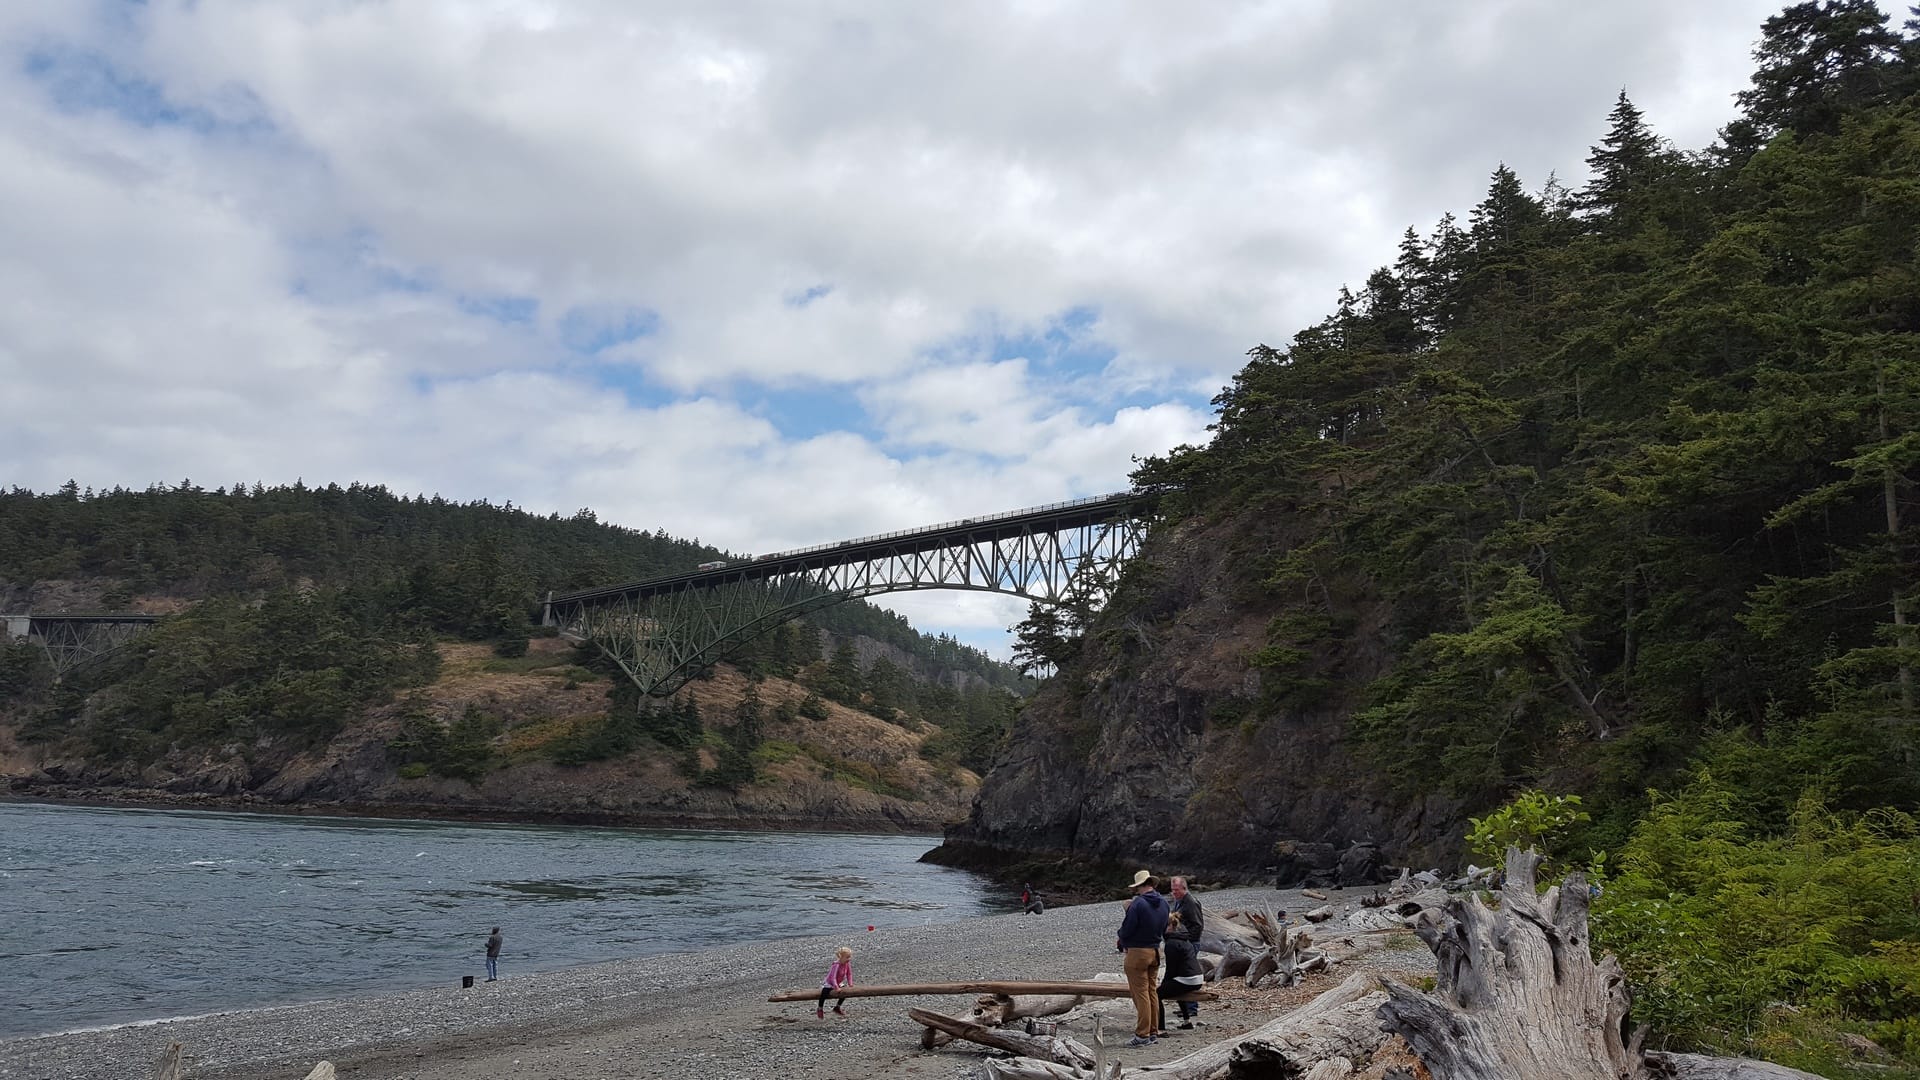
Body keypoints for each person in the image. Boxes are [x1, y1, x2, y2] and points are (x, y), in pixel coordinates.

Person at [1115, 869, 1169, 1047]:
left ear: (1140, 886)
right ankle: (1153, 1031)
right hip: (1155, 950)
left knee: (1140, 994)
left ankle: (1142, 1034)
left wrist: (1122, 939)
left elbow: (1127, 928)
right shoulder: (1164, 903)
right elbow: (1164, 927)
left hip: (1138, 952)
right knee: (1152, 992)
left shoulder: (1138, 904)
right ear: (1152, 884)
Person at [1158, 876, 1206, 1030]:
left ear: (1184, 888)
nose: (1174, 893)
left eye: (1176, 890)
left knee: (1182, 973)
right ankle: (1187, 1015)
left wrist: (1186, 941)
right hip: (1184, 942)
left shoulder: (1190, 902)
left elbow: (1198, 925)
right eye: (1172, 890)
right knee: (1182, 973)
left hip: (1189, 942)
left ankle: (1189, 1009)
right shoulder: (1179, 901)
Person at [816, 946, 854, 1017]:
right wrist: (836, 988)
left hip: (838, 982)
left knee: (845, 993)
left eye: (850, 957)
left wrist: (850, 984)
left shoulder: (847, 964)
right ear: (841, 957)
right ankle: (820, 1008)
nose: (849, 959)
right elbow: (832, 978)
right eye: (847, 957)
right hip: (830, 983)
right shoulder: (836, 965)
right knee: (824, 993)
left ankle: (837, 1007)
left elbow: (849, 974)